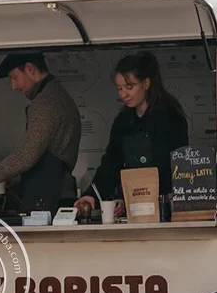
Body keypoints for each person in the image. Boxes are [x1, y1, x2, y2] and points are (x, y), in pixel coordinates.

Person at [0, 52, 82, 213]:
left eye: (15, 78)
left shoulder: (45, 102)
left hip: (46, 197)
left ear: (30, 69)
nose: (14, 86)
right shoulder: (58, 94)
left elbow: (27, 154)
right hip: (57, 192)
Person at [75, 51, 188, 219]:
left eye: (129, 87)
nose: (123, 94)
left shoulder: (171, 116)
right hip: (133, 210)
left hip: (165, 209)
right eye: (119, 88)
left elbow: (179, 164)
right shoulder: (123, 121)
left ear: (146, 83)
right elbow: (112, 162)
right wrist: (92, 193)